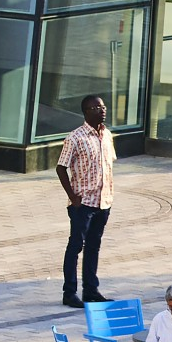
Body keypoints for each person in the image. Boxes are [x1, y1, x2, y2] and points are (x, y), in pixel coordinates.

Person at [56, 94, 115, 309]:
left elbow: (108, 166)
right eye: (97, 107)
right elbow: (61, 167)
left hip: (103, 202)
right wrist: (73, 197)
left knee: (94, 246)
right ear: (86, 111)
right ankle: (69, 292)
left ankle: (91, 290)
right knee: (75, 246)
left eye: (103, 106)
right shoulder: (75, 137)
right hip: (83, 203)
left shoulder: (107, 135)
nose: (103, 110)